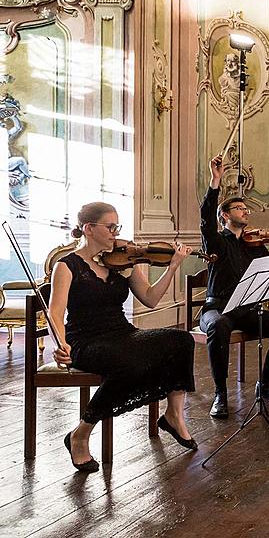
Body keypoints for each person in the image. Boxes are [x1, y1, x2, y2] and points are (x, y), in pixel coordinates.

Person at [49, 202, 197, 473]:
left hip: (122, 333)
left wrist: (173, 267)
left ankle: (174, 415)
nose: (116, 233)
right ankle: (80, 434)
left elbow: (150, 299)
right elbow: (55, 314)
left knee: (182, 340)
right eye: (110, 227)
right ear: (89, 229)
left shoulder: (122, 261)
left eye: (117, 226)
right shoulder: (67, 266)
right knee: (129, 364)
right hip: (86, 340)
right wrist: (62, 345)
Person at [200, 155, 269, 418]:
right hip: (218, 308)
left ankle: (266, 381)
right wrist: (215, 181)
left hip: (246, 309)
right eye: (239, 209)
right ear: (225, 215)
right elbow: (205, 219)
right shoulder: (216, 242)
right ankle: (221, 393)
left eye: (246, 209)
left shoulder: (254, 244)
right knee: (219, 325)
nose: (245, 212)